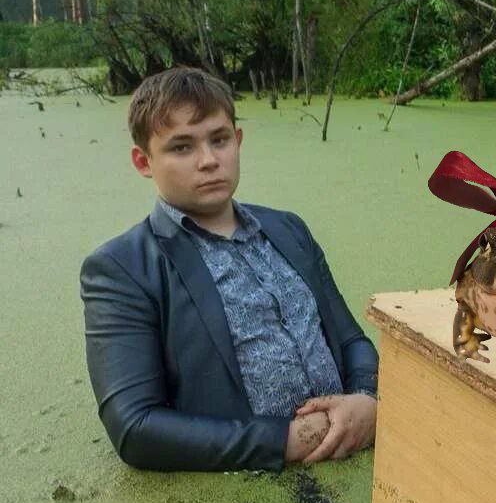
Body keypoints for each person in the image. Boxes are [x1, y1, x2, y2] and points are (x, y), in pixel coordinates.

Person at [80, 67, 378, 472]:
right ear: (143, 161)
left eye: (219, 140)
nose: (208, 161)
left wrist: (366, 399)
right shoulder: (122, 268)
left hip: (361, 454)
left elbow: (350, 340)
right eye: (181, 147)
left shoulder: (289, 229)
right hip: (256, 484)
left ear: (237, 140)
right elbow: (135, 428)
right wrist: (286, 440)